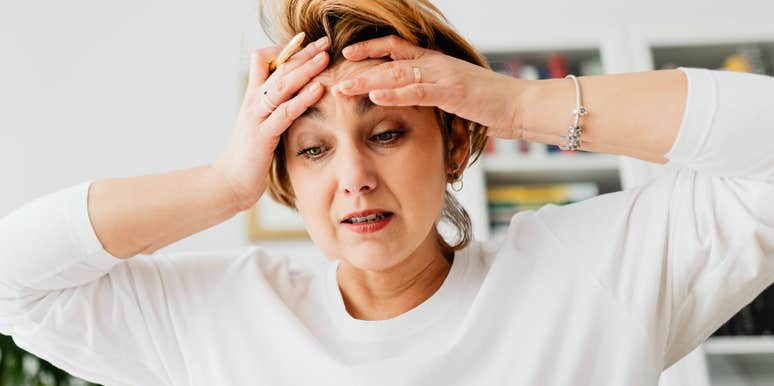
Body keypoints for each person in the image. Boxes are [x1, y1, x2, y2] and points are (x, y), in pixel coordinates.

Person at [1, 0, 773, 384]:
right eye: (311, 149)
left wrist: (511, 103)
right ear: (283, 177)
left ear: (456, 143)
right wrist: (221, 183)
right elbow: (14, 285)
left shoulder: (592, 276)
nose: (353, 178)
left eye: (388, 132)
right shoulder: (214, 320)